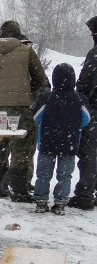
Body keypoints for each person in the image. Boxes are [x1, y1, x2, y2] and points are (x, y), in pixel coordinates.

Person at [0, 20, 48, 202]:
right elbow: (41, 79)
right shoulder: (27, 51)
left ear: (1, 34)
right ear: (17, 34)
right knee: (22, 145)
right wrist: (26, 91)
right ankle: (19, 190)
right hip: (19, 106)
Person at [32, 63, 91, 215]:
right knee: (65, 175)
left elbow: (36, 116)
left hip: (47, 141)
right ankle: (60, 204)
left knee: (43, 173)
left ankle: (41, 201)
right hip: (69, 143)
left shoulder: (47, 97)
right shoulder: (79, 98)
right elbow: (86, 119)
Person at [68, 16, 97, 210]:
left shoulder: (95, 54)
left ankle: (85, 195)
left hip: (94, 109)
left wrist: (78, 98)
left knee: (89, 153)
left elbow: (85, 84)